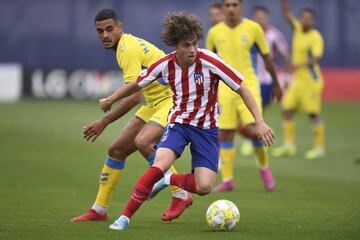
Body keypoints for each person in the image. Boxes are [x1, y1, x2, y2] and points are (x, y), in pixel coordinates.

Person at [97, 11, 274, 231]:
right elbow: (136, 84)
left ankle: (169, 181)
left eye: (194, 44)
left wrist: (259, 121)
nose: (192, 50)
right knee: (158, 165)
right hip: (178, 125)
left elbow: (242, 88)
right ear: (175, 45)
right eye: (185, 45)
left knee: (204, 186)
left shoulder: (210, 61)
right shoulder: (165, 65)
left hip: (207, 129)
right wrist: (110, 99)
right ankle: (124, 217)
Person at [70, 9, 192, 223]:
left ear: (120, 27)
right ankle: (99, 210)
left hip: (172, 100)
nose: (105, 35)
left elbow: (133, 97)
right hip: (155, 103)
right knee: (116, 150)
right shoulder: (124, 47)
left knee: (144, 141)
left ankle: (180, 194)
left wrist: (104, 121)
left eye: (110, 29)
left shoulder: (126, 48)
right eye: (100, 31)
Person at [206, 0, 282, 192]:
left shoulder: (254, 28)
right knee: (225, 133)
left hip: (248, 85)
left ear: (241, 7)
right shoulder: (214, 33)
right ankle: (228, 180)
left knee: (255, 128)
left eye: (235, 5)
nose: (231, 8)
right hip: (224, 88)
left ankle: (264, 168)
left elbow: (267, 58)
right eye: (228, 5)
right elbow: (208, 65)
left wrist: (276, 84)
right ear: (223, 8)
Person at [272, 0, 325, 160]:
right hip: (298, 81)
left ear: (313, 21)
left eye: (309, 18)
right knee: (287, 109)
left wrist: (297, 64)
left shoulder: (315, 36)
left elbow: (315, 58)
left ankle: (319, 147)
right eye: (303, 18)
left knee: (312, 114)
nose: (305, 21)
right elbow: (288, 15)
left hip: (311, 81)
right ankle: (289, 146)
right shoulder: (298, 29)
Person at [239, 5, 290, 157]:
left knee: (259, 111)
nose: (260, 19)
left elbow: (285, 54)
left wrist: (285, 77)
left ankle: (259, 138)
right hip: (250, 79)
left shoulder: (274, 35)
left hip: (266, 80)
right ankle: (254, 139)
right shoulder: (247, 33)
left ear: (267, 17)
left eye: (262, 16)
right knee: (251, 111)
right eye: (257, 16)